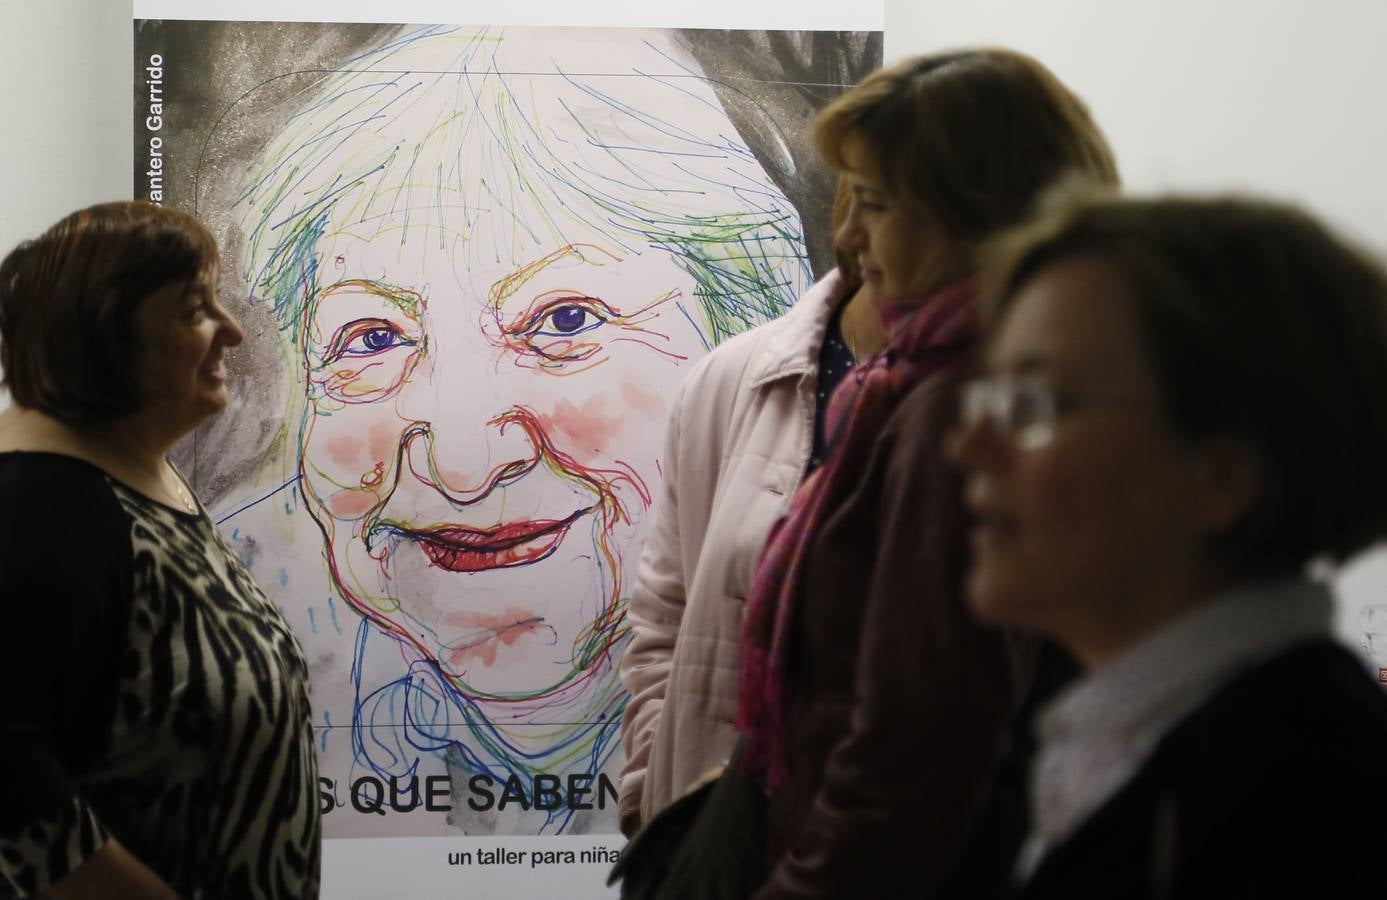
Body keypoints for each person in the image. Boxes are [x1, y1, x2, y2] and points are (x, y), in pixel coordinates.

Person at [221, 24, 815, 836]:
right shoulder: (226, 612)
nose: (463, 465)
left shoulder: (847, 611)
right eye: (372, 339)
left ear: (741, 346)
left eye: (563, 321)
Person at [731, 49, 1119, 899]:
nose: (847, 237)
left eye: (873, 204)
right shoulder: (1021, 372)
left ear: (970, 212)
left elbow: (920, 744)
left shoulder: (959, 404)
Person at [947, 190, 1387, 898]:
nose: (968, 446)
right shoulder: (1159, 746)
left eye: (1036, 405)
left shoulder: (1305, 804)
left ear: (1222, 477)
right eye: (990, 399)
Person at [0, 201, 320, 898]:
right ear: (105, 330)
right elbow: (12, 789)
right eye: (193, 310)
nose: (230, 332)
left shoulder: (135, 480)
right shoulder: (42, 504)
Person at [619, 180, 877, 835]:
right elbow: (664, 622)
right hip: (729, 848)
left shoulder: (1021, 399)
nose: (851, 232)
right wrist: (662, 808)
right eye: (861, 195)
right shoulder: (731, 378)